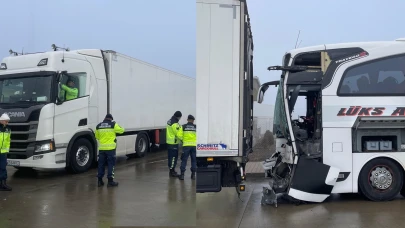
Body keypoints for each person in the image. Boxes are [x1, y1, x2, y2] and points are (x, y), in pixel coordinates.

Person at [95, 114, 125, 187]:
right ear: (111, 119)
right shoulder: (113, 124)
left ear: (105, 118)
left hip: (102, 149)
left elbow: (97, 136)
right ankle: (110, 181)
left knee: (101, 164)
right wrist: (116, 124)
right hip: (111, 149)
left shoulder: (98, 126)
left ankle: (99, 181)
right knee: (111, 164)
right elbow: (122, 130)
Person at [179, 115, 196, 180]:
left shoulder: (183, 126)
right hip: (194, 146)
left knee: (184, 160)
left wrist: (183, 141)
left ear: (187, 119)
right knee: (194, 160)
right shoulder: (195, 127)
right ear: (193, 120)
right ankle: (193, 175)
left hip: (186, 146)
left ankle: (182, 175)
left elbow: (180, 136)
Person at [166, 111, 183, 177]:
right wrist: (183, 140)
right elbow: (178, 134)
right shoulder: (175, 124)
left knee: (170, 157)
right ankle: (172, 172)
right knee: (173, 158)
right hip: (173, 143)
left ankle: (171, 170)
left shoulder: (169, 121)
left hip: (169, 142)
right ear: (178, 117)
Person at [0, 113, 12, 191]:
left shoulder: (8, 129)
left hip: (3, 152)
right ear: (1, 120)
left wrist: (7, 150)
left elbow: (8, 141)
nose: (7, 123)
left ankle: (3, 184)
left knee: (3, 167)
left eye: (7, 122)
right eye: (6, 121)